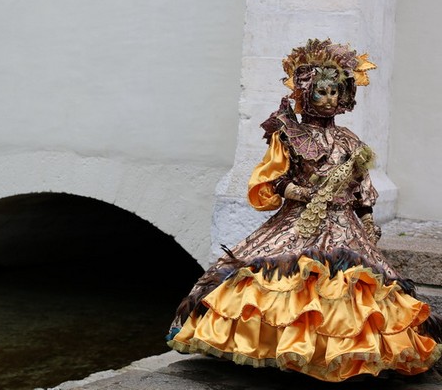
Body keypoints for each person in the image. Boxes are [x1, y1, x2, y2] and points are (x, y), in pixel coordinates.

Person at [165, 38, 442, 382]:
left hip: (345, 225)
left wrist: (367, 217)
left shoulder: (350, 140)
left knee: (351, 288)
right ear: (306, 93)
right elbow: (273, 177)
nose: (329, 99)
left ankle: (342, 354)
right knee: (284, 281)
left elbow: (360, 185)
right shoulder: (289, 134)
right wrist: (296, 190)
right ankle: (284, 348)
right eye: (321, 92)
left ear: (344, 96)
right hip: (300, 220)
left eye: (334, 92)